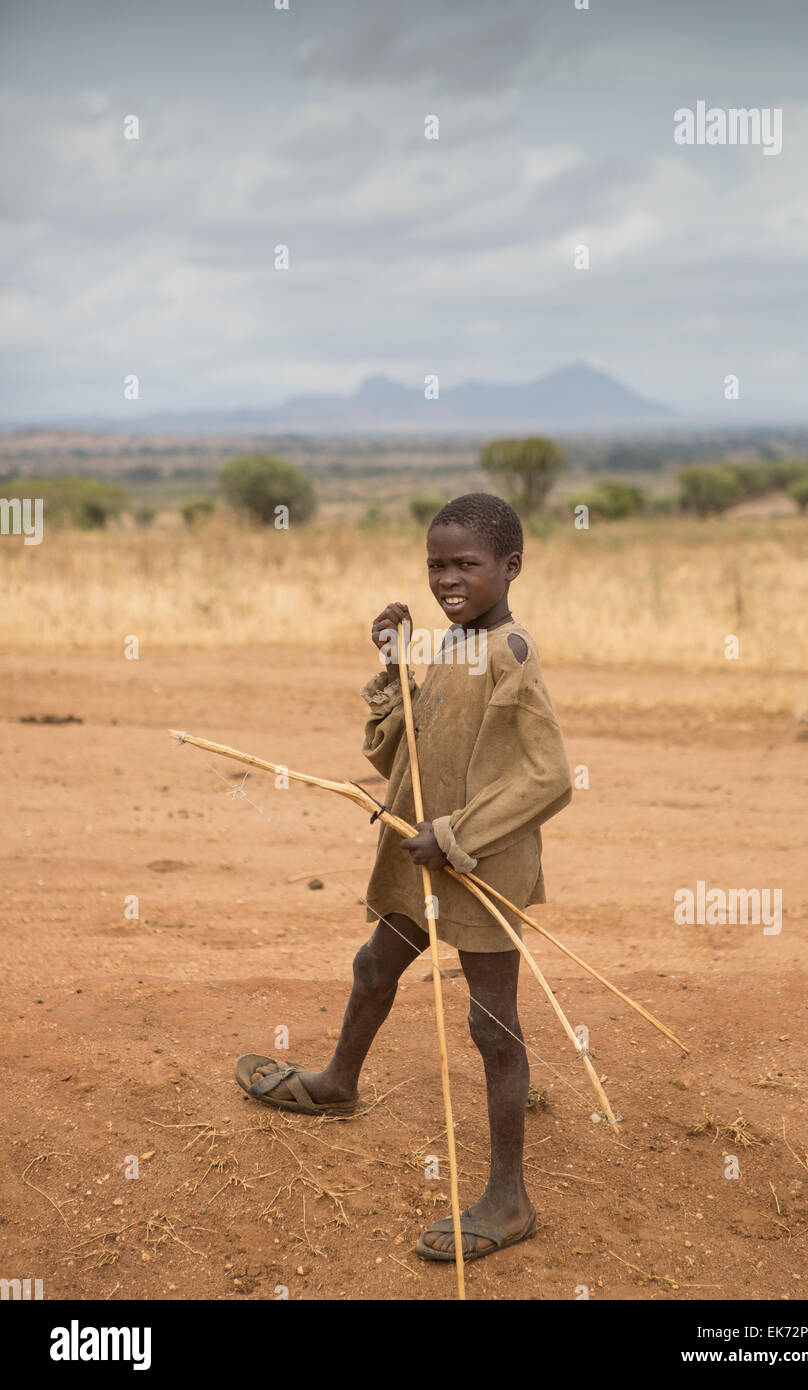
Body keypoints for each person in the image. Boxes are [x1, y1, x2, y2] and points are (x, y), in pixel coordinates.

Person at [235, 492, 573, 1262]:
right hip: (425, 858)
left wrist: (457, 834)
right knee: (374, 965)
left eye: (466, 564)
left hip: (480, 867)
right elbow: (401, 754)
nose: (447, 578)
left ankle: (510, 1197)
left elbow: (550, 777)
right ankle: (337, 1083)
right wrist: (393, 667)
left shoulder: (510, 653)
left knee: (492, 1027)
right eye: (436, 565)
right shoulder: (452, 648)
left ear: (510, 567)